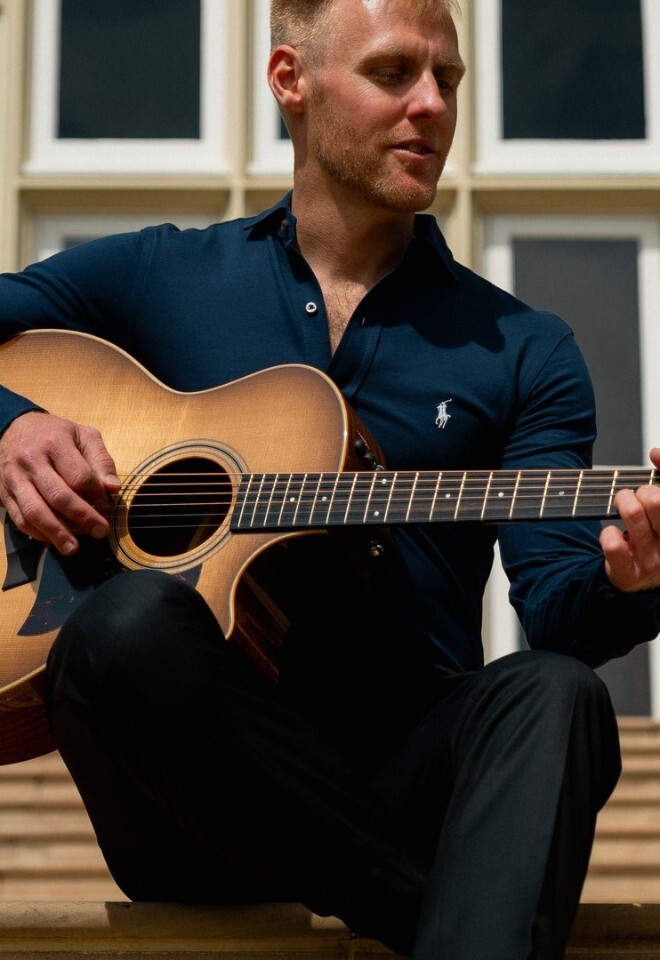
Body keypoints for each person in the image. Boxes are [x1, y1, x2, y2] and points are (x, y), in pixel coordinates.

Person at [1, 0, 660, 957]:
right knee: (119, 625)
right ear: (289, 81)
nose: (432, 105)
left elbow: (560, 607)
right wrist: (14, 429)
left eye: (450, 80)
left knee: (555, 691)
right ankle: (441, 923)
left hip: (404, 768)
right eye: (395, 74)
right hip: (191, 797)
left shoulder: (524, 348)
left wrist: (633, 579)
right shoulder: (163, 275)